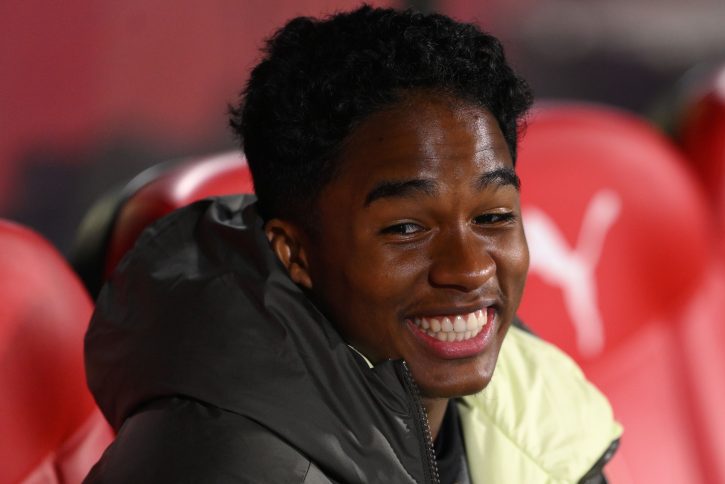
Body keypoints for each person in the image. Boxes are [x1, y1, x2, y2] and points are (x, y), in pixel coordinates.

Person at [83, 6, 621, 483]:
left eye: (493, 217)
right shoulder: (214, 465)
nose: (470, 268)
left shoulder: (536, 399)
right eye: (406, 229)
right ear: (296, 253)